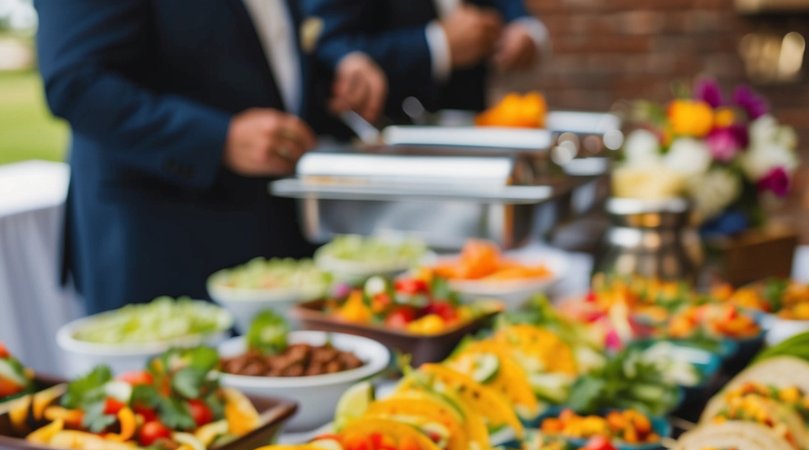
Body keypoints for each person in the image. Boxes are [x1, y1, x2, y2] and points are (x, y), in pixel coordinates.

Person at [35, 0, 387, 312]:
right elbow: (75, 82)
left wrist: (334, 80)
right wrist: (219, 139)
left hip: (271, 235)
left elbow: (253, 50)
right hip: (161, 241)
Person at [302, 0, 547, 120]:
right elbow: (327, 42)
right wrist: (436, 45)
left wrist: (526, 30)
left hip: (468, 122)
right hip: (388, 142)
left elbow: (510, 8)